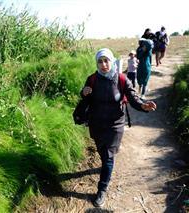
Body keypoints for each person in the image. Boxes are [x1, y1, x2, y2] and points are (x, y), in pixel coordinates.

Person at [80, 48, 157, 207]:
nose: (103, 64)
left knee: (108, 157)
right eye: (100, 61)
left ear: (111, 60)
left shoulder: (122, 79)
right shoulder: (92, 79)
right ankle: (106, 168)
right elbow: (85, 96)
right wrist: (84, 92)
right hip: (96, 124)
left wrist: (143, 106)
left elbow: (133, 99)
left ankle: (102, 189)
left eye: (106, 60)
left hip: (115, 125)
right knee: (102, 151)